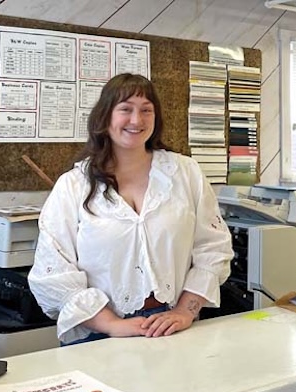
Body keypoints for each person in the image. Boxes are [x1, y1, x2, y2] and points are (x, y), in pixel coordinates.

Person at [28, 73, 233, 345]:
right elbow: (52, 269)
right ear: (105, 117)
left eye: (146, 110)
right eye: (125, 109)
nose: (136, 120)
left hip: (171, 326)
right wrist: (112, 324)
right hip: (98, 332)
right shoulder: (74, 185)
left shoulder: (186, 173)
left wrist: (185, 311)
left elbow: (213, 248)